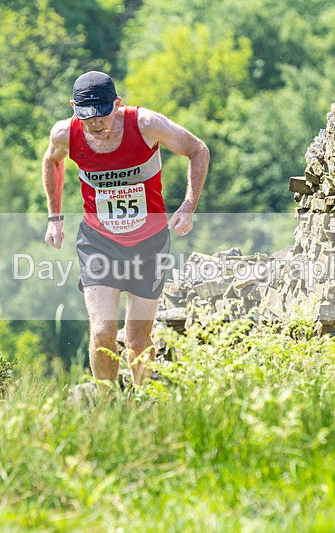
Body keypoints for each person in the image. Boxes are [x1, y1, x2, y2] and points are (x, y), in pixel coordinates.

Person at [41, 70, 209, 392]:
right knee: (103, 330)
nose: (96, 125)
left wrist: (189, 205)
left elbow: (197, 149)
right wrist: (54, 216)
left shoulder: (145, 124)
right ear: (74, 108)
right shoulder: (65, 133)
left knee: (136, 337)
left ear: (117, 104)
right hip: (98, 241)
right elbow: (53, 161)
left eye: (103, 115)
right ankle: (107, 407)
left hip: (149, 244)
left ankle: (143, 399)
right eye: (87, 117)